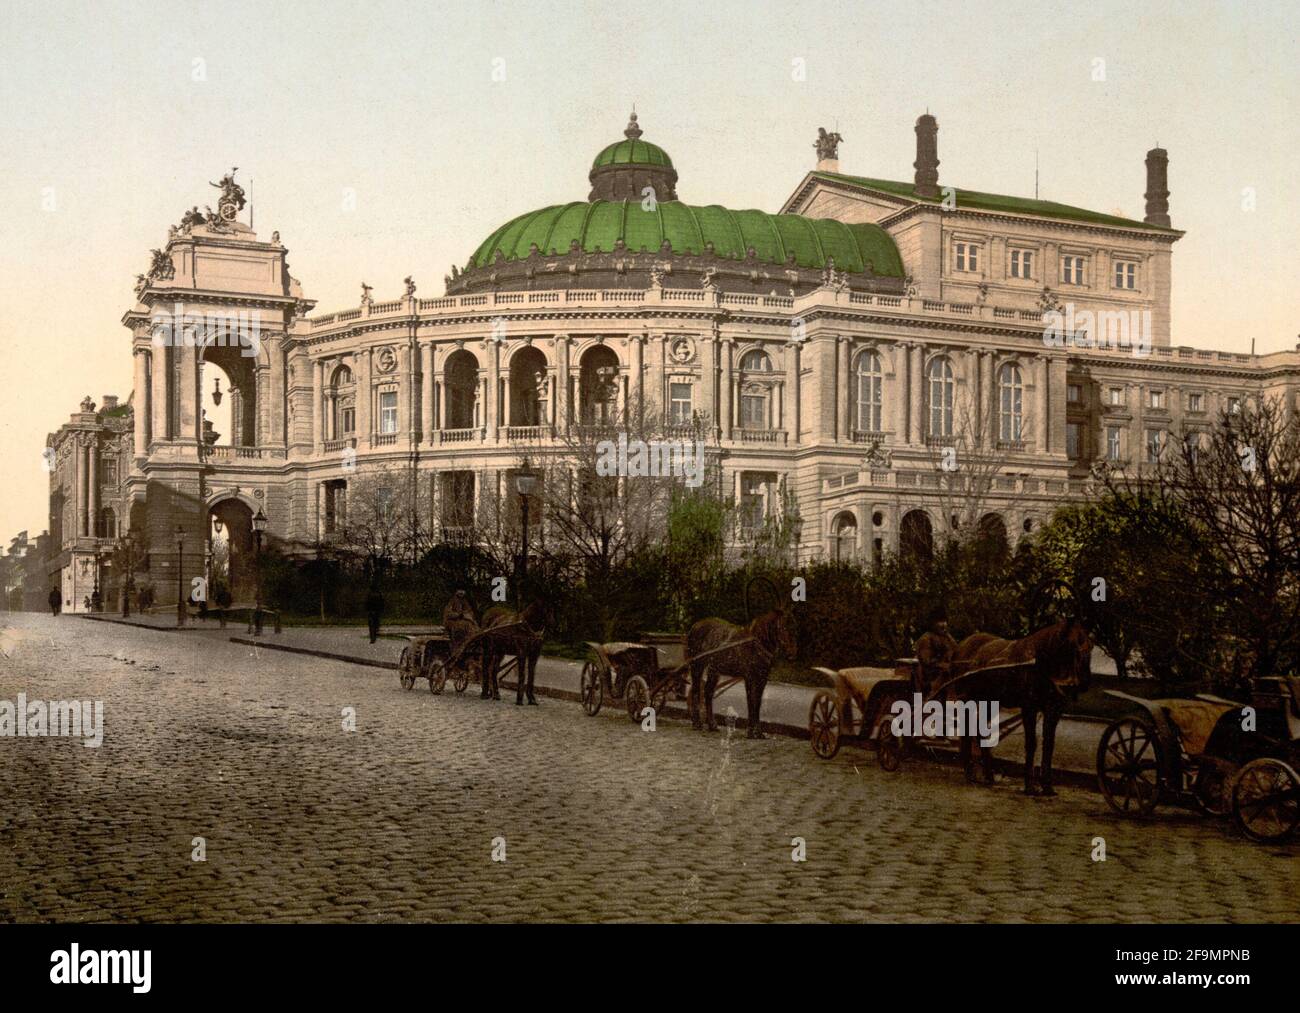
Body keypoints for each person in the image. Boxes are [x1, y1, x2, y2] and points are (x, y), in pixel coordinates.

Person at [914, 608, 958, 697]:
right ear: (932, 624)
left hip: (948, 673)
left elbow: (957, 651)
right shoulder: (926, 639)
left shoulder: (947, 638)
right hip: (931, 676)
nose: (943, 625)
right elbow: (927, 661)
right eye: (940, 622)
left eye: (945, 621)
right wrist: (943, 665)